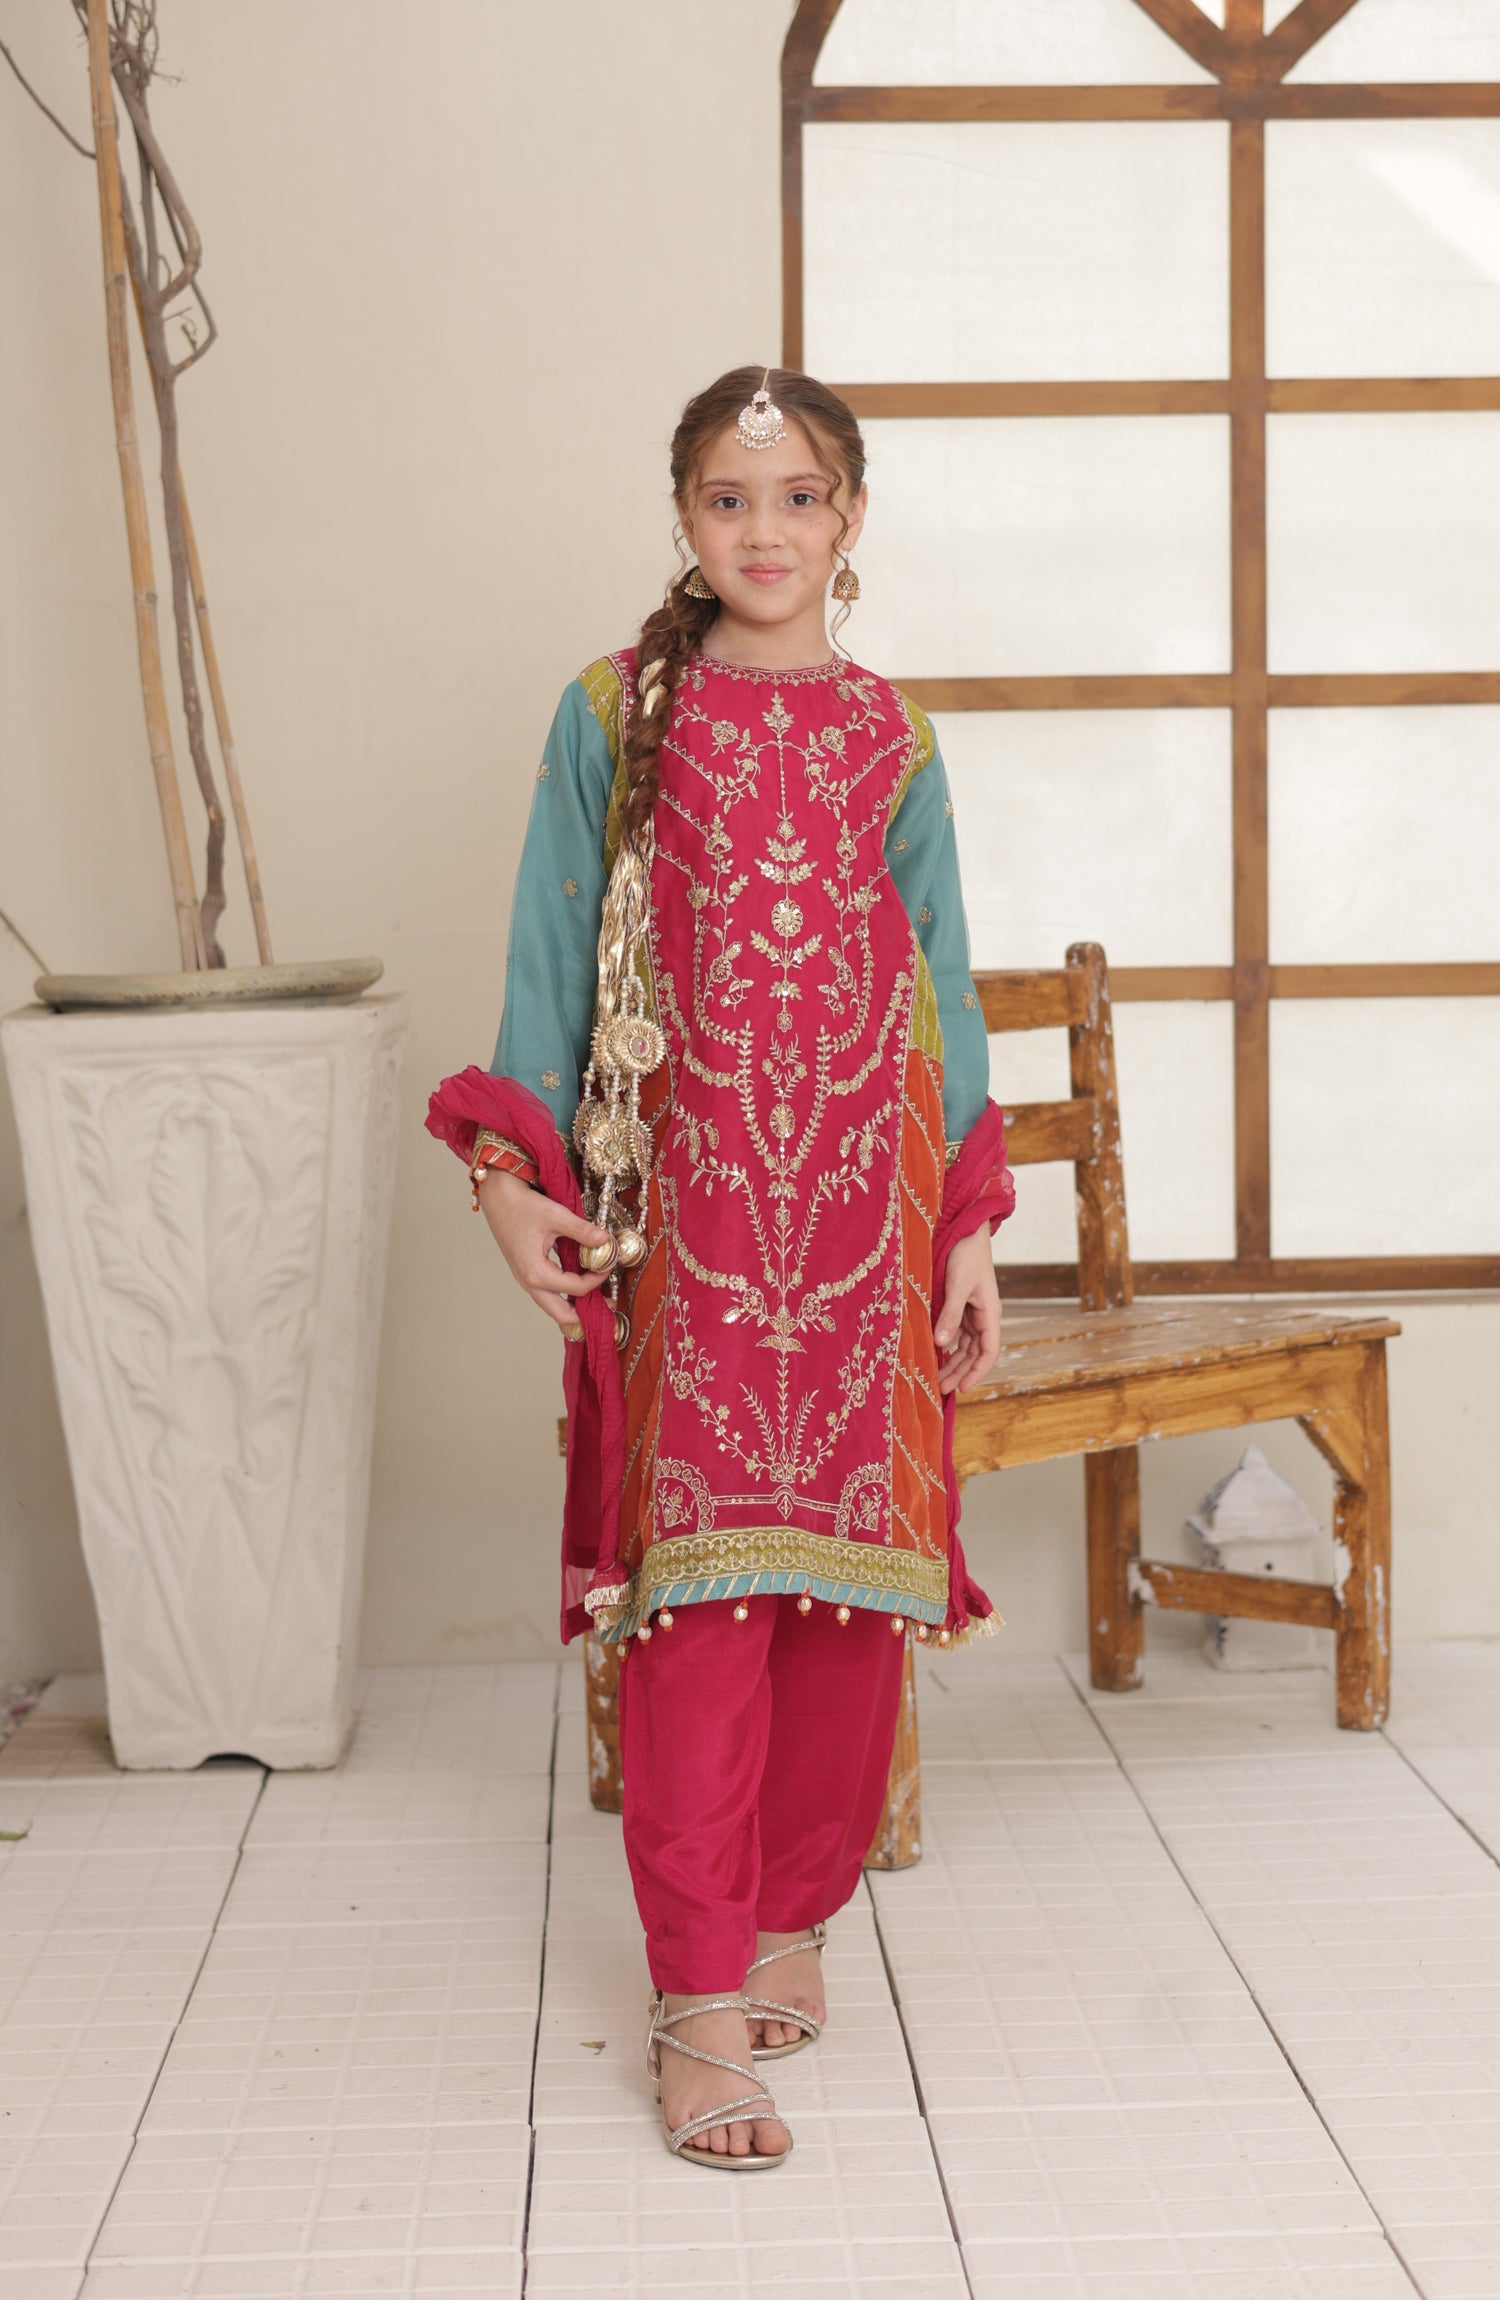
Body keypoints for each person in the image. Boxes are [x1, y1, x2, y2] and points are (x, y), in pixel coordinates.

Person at [428, 366, 1015, 2169]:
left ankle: (787, 1916)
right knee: (696, 1597)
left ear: (853, 517)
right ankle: (695, 1998)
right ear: (682, 516)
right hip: (684, 1229)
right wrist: (512, 1176)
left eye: (800, 497)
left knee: (848, 1597)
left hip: (862, 1223)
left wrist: (967, 1226)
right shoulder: (618, 712)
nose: (766, 531)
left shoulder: (893, 735)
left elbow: (940, 986)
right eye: (727, 498)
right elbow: (549, 954)